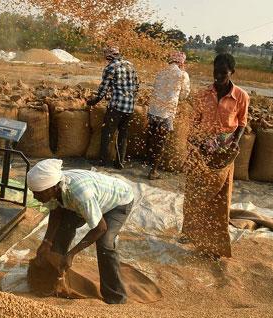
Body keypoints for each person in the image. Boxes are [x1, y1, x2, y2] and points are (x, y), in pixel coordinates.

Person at [27, 159, 135, 304]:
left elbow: (100, 228)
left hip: (118, 203)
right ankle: (54, 279)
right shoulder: (54, 187)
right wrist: (47, 242)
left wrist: (71, 254)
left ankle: (116, 296)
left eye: (38, 194)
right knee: (62, 229)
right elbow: (56, 212)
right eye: (33, 193)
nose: (35, 198)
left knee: (105, 244)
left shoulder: (81, 195)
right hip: (88, 200)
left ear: (52, 188)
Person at [181, 53, 249, 259]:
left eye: (223, 73)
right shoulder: (203, 95)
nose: (218, 76)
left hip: (223, 155)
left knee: (219, 198)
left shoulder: (241, 96)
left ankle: (215, 243)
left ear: (232, 73)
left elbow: (242, 123)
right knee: (196, 193)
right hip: (202, 151)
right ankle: (192, 234)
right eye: (216, 72)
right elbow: (194, 123)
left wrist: (233, 143)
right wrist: (198, 142)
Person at [87, 46, 139, 170]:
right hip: (130, 107)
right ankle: (119, 162)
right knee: (123, 134)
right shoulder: (130, 65)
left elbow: (103, 89)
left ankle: (102, 161)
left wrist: (93, 101)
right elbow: (137, 86)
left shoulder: (111, 67)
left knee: (107, 133)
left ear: (108, 56)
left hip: (116, 107)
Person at [146, 51, 191, 180]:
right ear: (181, 62)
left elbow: (155, 87)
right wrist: (176, 98)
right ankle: (153, 171)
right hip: (166, 113)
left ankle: (148, 162)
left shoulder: (161, 72)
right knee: (161, 142)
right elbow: (184, 94)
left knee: (152, 137)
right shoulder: (182, 74)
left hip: (153, 110)